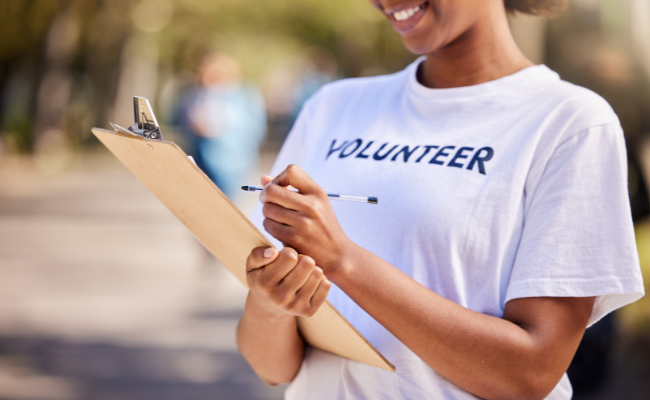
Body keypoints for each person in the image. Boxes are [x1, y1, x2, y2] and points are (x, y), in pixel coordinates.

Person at [236, 1, 645, 399]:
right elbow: (272, 368)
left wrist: (344, 260)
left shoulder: (570, 122)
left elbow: (529, 374)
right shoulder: (333, 107)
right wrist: (271, 304)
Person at [174, 52, 266, 199]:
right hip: (201, 157)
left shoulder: (244, 95)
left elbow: (255, 128)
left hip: (232, 162)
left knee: (226, 202)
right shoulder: (197, 94)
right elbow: (180, 119)